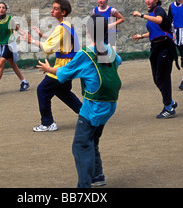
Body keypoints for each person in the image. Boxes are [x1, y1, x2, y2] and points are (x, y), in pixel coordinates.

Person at [37, 14, 122, 188]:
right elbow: (117, 62)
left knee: (81, 145)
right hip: (109, 104)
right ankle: (97, 175)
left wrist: (48, 68)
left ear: (88, 31)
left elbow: (64, 73)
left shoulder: (86, 54)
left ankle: (83, 187)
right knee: (93, 141)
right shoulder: (110, 50)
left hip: (93, 106)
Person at [20, 0, 82, 132]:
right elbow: (56, 42)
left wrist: (32, 40)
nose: (51, 11)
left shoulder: (61, 27)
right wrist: (42, 36)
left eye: (55, 8)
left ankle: (47, 123)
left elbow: (48, 48)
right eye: (52, 8)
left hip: (63, 67)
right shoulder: (66, 25)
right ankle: (86, 115)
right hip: (68, 66)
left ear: (63, 12)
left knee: (42, 89)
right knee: (62, 91)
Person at [132, 0, 179, 119]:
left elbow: (158, 21)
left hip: (165, 47)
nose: (148, 0)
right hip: (156, 47)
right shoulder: (151, 13)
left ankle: (168, 107)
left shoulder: (159, 10)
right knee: (157, 78)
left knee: (163, 77)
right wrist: (142, 36)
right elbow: (156, 30)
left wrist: (141, 15)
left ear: (156, 0)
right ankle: (170, 101)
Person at [0, 2, 30, 94]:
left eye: (3, 7)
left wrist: (25, 35)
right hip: (2, 44)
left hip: (9, 44)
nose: (1, 9)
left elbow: (17, 29)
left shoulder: (9, 19)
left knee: (1, 63)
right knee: (13, 65)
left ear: (6, 10)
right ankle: (24, 82)